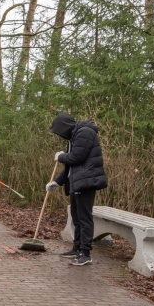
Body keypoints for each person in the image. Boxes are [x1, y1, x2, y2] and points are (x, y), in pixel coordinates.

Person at [48, 112, 108, 266]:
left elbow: (76, 157)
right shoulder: (74, 136)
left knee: (84, 217)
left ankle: (85, 253)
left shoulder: (85, 132)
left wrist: (61, 156)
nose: (60, 135)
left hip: (87, 181)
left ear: (65, 127)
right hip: (77, 181)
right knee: (76, 216)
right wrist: (57, 182)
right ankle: (77, 248)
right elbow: (71, 166)